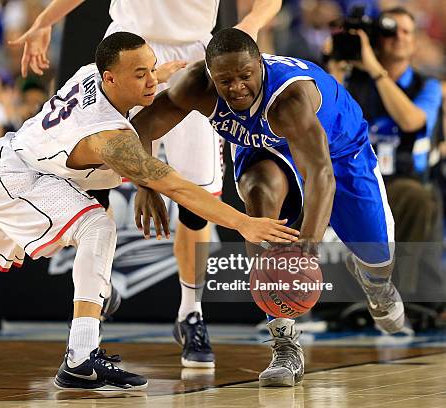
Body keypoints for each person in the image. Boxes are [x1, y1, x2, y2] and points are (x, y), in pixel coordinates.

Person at [0, 32, 298, 390]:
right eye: (141, 74)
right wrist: (244, 222)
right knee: (98, 228)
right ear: (109, 80)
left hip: (7, 161)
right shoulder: (107, 136)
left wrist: (166, 71)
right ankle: (81, 356)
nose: (152, 82)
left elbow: (142, 75)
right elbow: (177, 187)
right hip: (21, 178)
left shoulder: (95, 72)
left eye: (151, 70)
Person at [8, 0, 282, 369]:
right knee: (95, 184)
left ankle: (190, 312)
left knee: (194, 203)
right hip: (127, 51)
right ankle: (95, 301)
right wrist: (45, 20)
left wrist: (250, 24)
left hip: (195, 57)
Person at [131, 27, 404, 387]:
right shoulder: (195, 85)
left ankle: (376, 283)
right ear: (211, 75)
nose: (237, 87)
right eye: (225, 80)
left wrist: (307, 250)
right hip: (266, 151)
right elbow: (141, 127)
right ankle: (284, 341)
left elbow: (321, 176)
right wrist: (147, 183)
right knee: (258, 199)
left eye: (246, 76)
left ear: (260, 65)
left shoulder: (289, 99)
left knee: (377, 255)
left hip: (337, 151)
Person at [326, 7, 443, 315]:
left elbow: (411, 120)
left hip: (402, 180)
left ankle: (395, 297)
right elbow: (325, 118)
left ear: (416, 42)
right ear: (376, 39)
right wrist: (335, 69)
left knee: (416, 197)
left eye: (407, 31)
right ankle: (311, 303)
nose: (399, 38)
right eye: (391, 31)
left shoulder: (427, 86)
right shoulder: (354, 82)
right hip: (355, 179)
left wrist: (374, 67)